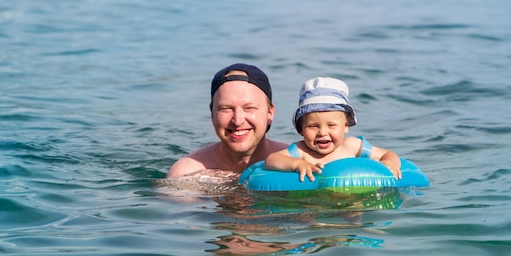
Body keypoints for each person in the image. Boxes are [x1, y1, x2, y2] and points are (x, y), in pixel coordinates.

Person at [264, 77, 402, 182]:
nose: (322, 132)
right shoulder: (302, 151)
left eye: (331, 125)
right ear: (301, 129)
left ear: (346, 126)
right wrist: (298, 164)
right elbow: (272, 160)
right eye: (313, 126)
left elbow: (388, 154)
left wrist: (390, 162)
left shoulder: (352, 146)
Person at [167, 63, 287, 178]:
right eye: (226, 109)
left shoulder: (297, 163)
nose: (238, 121)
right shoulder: (186, 174)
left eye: (249, 108)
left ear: (270, 113)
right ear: (212, 113)